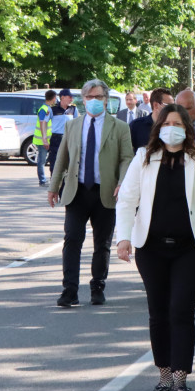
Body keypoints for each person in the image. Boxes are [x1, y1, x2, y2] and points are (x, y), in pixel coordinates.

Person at [115, 104, 195, 391]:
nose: (172, 128)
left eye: (178, 123)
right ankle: (164, 372)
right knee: (158, 312)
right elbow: (127, 200)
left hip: (191, 249)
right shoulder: (143, 158)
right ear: (159, 127)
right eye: (167, 123)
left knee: (181, 309)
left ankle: (180, 378)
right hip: (151, 248)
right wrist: (123, 238)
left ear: (187, 129)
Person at [47, 79, 134, 307]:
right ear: (82, 100)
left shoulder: (120, 127)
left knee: (102, 243)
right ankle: (70, 290)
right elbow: (62, 158)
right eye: (89, 97)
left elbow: (127, 158)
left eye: (98, 97)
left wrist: (122, 182)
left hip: (105, 192)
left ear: (106, 100)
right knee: (72, 239)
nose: (93, 101)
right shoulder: (73, 125)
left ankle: (97, 286)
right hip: (77, 191)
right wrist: (53, 187)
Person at [48, 88, 77, 174]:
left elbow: (77, 123)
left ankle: (65, 182)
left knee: (68, 160)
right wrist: (45, 139)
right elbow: (44, 122)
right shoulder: (52, 109)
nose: (71, 99)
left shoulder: (73, 109)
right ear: (62, 97)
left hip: (69, 137)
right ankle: (54, 180)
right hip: (56, 137)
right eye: (69, 97)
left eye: (72, 97)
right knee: (54, 160)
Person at [35, 90, 56, 187]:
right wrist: (45, 139)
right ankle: (42, 181)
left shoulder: (47, 108)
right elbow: (42, 123)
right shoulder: (45, 109)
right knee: (42, 161)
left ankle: (44, 180)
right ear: (53, 98)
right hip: (42, 140)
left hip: (45, 139)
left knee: (44, 160)